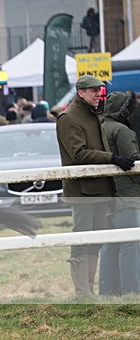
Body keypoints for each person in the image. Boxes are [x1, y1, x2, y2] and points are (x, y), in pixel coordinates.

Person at [56, 75, 135, 297]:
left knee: (95, 240)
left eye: (99, 91)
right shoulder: (69, 117)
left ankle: (88, 291)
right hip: (83, 190)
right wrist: (112, 158)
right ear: (81, 92)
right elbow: (78, 153)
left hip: (99, 189)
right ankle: (82, 292)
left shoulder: (91, 115)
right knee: (81, 238)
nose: (98, 95)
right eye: (93, 91)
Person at [98, 90, 140, 295]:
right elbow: (134, 162)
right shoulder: (122, 131)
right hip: (126, 196)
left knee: (110, 245)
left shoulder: (100, 127)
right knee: (131, 243)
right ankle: (133, 291)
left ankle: (107, 292)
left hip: (106, 196)